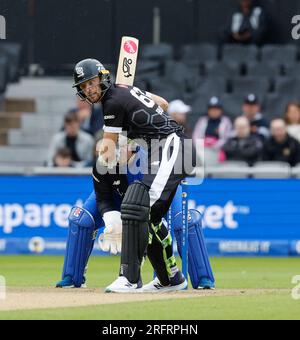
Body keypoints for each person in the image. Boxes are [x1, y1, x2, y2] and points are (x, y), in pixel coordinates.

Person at [72, 58, 199, 293]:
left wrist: (102, 167)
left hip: (171, 147)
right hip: (170, 149)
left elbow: (107, 153)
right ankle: (170, 278)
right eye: (84, 86)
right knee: (150, 218)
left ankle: (129, 278)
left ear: (102, 78)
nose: (89, 89)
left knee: (136, 206)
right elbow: (162, 102)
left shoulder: (112, 101)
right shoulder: (125, 90)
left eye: (91, 82)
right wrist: (133, 135)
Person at [193, 96, 232, 164]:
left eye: (217, 109)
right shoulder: (202, 121)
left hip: (219, 150)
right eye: (212, 109)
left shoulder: (225, 121)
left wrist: (215, 144)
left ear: (221, 110)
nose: (214, 111)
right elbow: (196, 136)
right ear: (208, 110)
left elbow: (227, 137)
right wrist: (204, 144)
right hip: (203, 150)